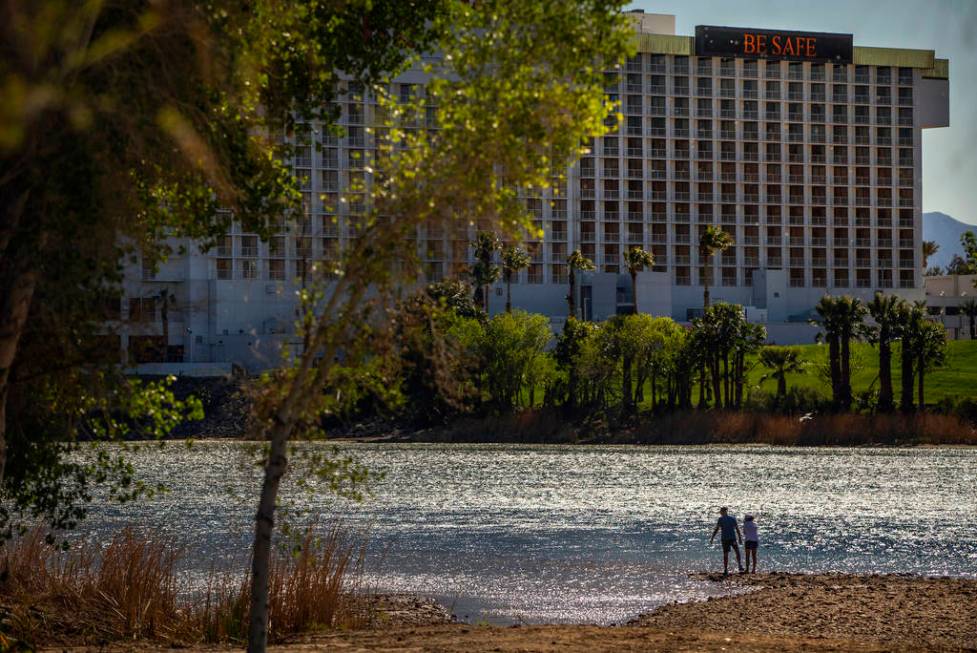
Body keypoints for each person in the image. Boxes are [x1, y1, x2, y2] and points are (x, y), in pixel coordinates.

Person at [709, 506, 744, 575]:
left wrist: (712, 538)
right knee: (736, 552)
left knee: (727, 554)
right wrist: (740, 538)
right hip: (731, 538)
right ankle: (738, 566)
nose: (720, 512)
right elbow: (737, 529)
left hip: (726, 539)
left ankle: (727, 569)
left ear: (724, 511)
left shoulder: (721, 519)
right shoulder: (731, 519)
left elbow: (717, 529)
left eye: (721, 511)